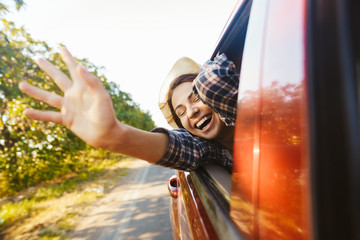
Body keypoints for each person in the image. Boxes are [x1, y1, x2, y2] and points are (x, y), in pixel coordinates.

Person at [19, 47, 239, 171]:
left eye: (196, 97)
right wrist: (115, 136)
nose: (190, 112)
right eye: (180, 112)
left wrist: (205, 85)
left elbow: (214, 82)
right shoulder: (208, 149)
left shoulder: (255, 109)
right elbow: (177, 146)